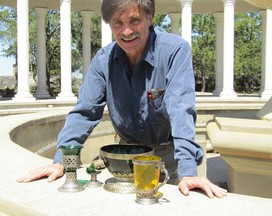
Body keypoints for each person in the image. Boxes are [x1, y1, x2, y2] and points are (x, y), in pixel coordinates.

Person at [17, 0, 227, 198]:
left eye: (134, 20)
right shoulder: (102, 60)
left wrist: (188, 172)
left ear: (149, 18)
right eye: (118, 23)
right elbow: (85, 112)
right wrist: (62, 160)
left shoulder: (175, 51)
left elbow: (181, 110)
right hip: (125, 161)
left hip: (171, 159)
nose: (126, 31)